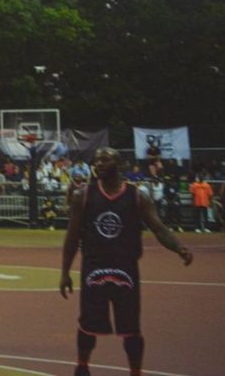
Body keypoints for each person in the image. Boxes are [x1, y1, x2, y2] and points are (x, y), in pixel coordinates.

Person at [59, 147, 193, 376]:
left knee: (131, 328)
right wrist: (64, 272)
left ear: (118, 164)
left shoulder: (137, 196)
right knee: (88, 324)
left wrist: (178, 246)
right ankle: (82, 367)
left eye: (105, 159)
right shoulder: (84, 195)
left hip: (126, 269)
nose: (99, 163)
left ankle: (135, 371)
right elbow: (72, 237)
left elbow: (158, 228)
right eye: (97, 159)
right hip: (94, 268)